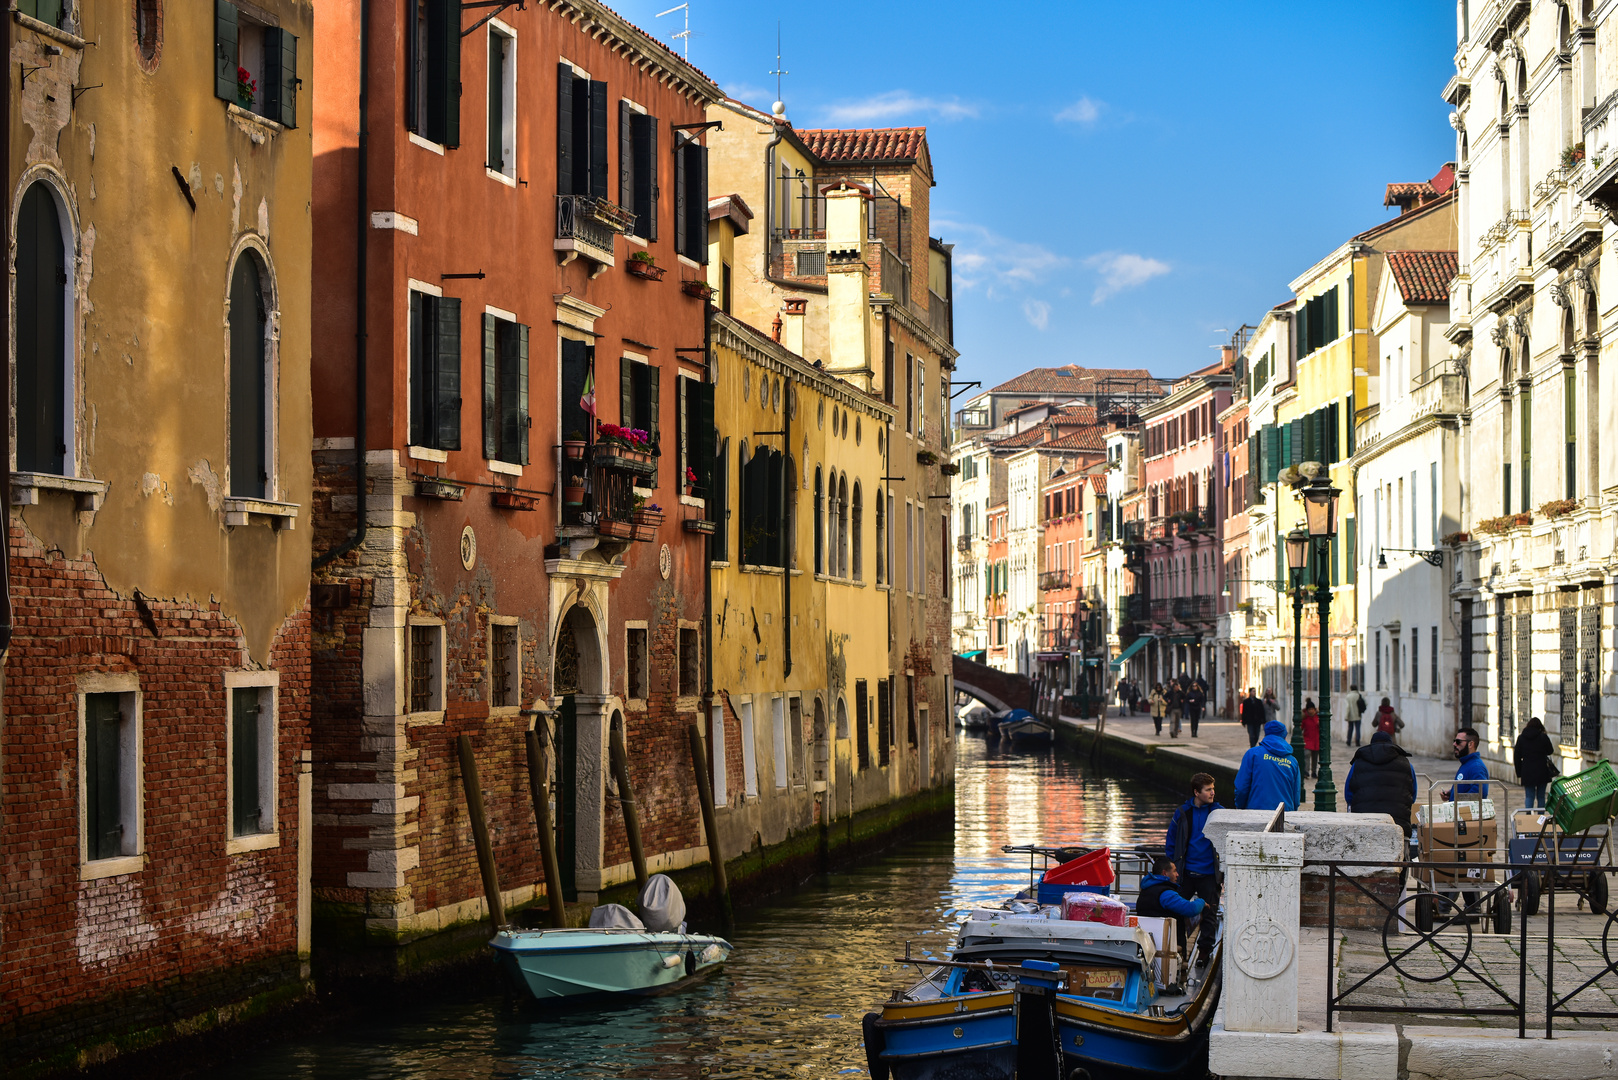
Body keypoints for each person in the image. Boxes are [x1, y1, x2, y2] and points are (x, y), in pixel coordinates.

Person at [1164, 773, 1222, 965]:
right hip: (1185, 872)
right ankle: (1180, 949)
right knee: (1177, 911)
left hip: (1208, 874)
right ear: (1196, 792)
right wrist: (1172, 868)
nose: (1212, 792)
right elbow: (1171, 842)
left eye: (1213, 788)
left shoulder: (1219, 812)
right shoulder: (1182, 813)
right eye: (1208, 789)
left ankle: (1204, 953)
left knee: (1210, 914)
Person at [1344, 730, 1418, 831]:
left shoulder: (1357, 764)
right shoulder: (1406, 764)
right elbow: (1412, 796)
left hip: (1363, 825)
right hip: (1399, 826)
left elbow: (1348, 796)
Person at [1137, 856, 1207, 961]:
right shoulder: (1166, 894)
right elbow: (1191, 909)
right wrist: (1201, 902)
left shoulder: (1146, 889)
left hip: (1146, 943)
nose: (1177, 874)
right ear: (1165, 873)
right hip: (1166, 947)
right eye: (1174, 871)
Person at [1235, 719, 1304, 812]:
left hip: (1256, 812)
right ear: (1284, 735)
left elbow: (1241, 787)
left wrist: (1240, 807)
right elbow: (1296, 794)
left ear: (1266, 733)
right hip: (1284, 814)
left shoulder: (1253, 754)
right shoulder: (1292, 761)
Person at [1513, 717, 1555, 810]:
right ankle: (1540, 818)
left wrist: (1519, 772)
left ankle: (1529, 817)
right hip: (1542, 769)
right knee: (1541, 796)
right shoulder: (1543, 737)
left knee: (1529, 796)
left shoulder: (1521, 738)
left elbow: (1517, 757)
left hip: (1527, 770)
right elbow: (1550, 751)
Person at [1443, 726, 1490, 802]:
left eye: (1458, 742)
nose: (1454, 744)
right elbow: (1465, 787)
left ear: (1470, 744)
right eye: (1454, 741)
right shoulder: (1466, 763)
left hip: (1464, 813)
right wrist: (1451, 793)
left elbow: (1480, 793)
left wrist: (1458, 803)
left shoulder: (1476, 767)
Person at [1301, 698, 1320, 779]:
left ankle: (1314, 772)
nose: (1311, 711)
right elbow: (1301, 728)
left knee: (1315, 758)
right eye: (1309, 709)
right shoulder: (1305, 718)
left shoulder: (1318, 717)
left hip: (1316, 741)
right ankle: (1306, 771)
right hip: (1307, 740)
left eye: (1312, 709)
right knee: (1307, 755)